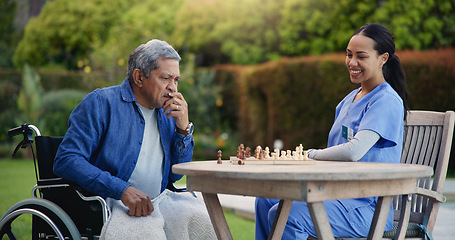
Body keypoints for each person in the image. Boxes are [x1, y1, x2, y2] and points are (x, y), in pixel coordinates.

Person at [255, 23, 408, 239]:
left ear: (383, 58)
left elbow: (353, 151)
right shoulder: (347, 101)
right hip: (334, 195)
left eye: (361, 57)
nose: (352, 63)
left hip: (367, 207)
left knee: (289, 215)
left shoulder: (386, 100)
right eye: (349, 55)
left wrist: (310, 154)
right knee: (265, 200)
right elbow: (336, 152)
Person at [54, 39, 215, 239]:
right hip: (113, 204)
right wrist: (122, 190)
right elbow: (66, 159)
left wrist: (183, 129)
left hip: (160, 202)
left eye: (176, 80)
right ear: (139, 77)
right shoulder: (101, 103)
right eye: (166, 78)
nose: (173, 88)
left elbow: (175, 175)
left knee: (206, 223)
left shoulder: (167, 113)